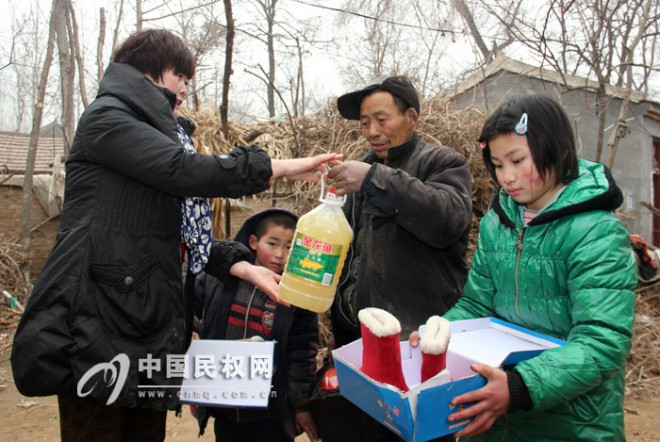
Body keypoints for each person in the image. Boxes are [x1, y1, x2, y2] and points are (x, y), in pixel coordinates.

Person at [11, 29, 339, 442]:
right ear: (148, 70)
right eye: (180, 76)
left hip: (148, 325)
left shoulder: (167, 135)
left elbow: (174, 236)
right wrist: (280, 165)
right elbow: (184, 172)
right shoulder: (108, 119)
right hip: (100, 324)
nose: (186, 88)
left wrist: (238, 264)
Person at [412, 94, 637, 440]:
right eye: (498, 165)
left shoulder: (596, 231)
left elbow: (602, 341)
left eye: (518, 160)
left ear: (560, 153)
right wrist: (441, 333)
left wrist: (521, 387)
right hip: (492, 412)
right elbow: (478, 303)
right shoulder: (496, 223)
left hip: (571, 422)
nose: (507, 177)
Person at [325, 75, 473, 442]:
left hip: (414, 347)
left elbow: (448, 220)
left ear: (412, 117)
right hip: (360, 341)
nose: (372, 131)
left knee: (415, 434)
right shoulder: (362, 171)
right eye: (364, 123)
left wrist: (375, 178)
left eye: (382, 118)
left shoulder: (441, 162)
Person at [195, 209, 319, 442]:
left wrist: (301, 406)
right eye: (272, 244)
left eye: (290, 247)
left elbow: (302, 353)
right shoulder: (220, 280)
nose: (280, 254)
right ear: (253, 241)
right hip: (225, 407)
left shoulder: (297, 295)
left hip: (270, 412)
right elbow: (190, 308)